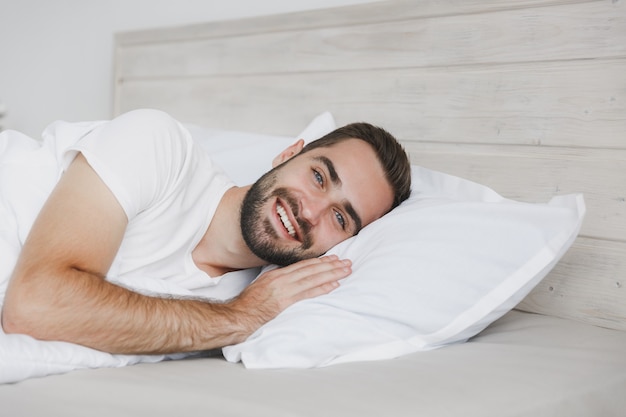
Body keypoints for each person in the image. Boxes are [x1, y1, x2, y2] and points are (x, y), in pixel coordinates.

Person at [0, 109, 411, 355]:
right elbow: (35, 304)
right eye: (319, 176)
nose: (311, 211)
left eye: (341, 219)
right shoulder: (159, 144)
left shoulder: (265, 302)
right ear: (288, 155)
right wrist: (239, 318)